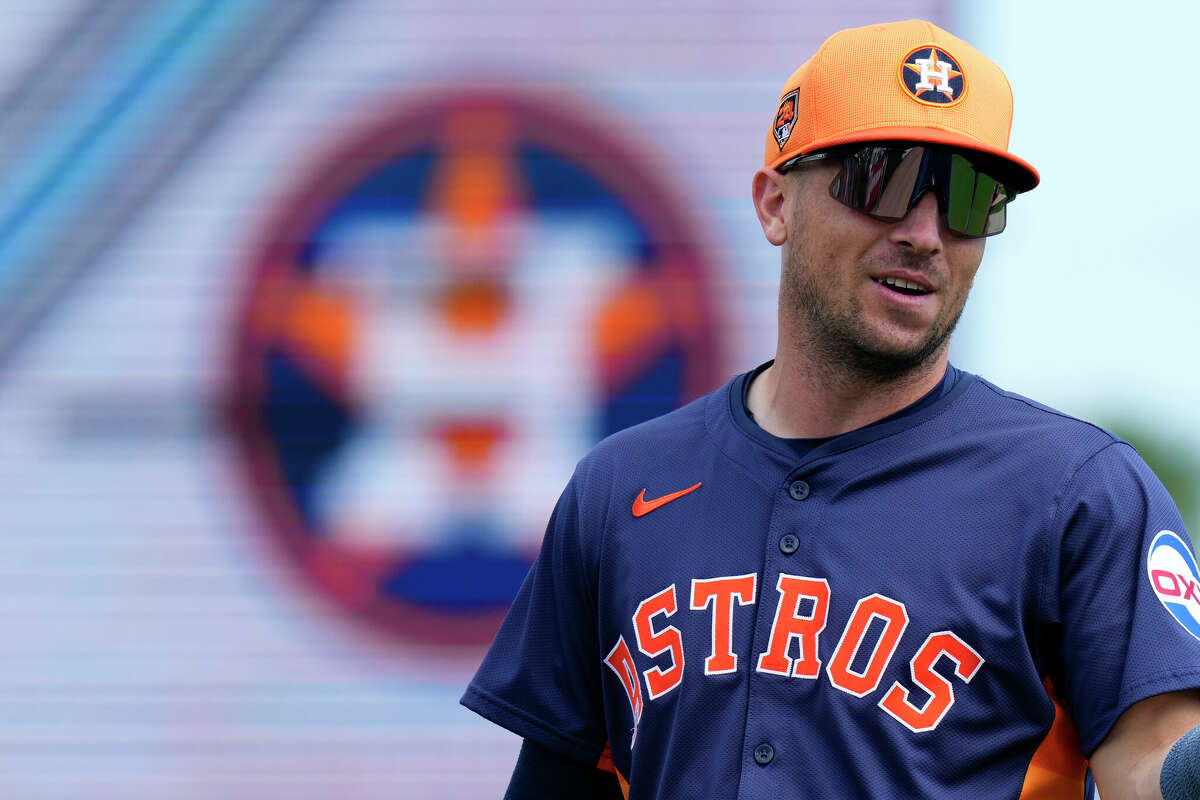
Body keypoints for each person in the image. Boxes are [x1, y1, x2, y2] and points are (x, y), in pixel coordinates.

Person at [461, 19, 1200, 799]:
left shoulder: (1079, 491)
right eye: (882, 179)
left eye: (969, 197)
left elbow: (1151, 765)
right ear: (777, 204)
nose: (924, 234)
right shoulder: (620, 487)